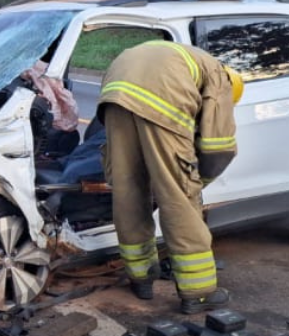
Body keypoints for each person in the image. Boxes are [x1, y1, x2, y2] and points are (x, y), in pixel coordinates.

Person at [96, 40, 243, 314]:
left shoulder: (188, 57)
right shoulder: (221, 78)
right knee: (179, 198)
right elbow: (218, 146)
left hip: (116, 91)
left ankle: (140, 277)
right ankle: (198, 293)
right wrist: (196, 180)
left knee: (129, 190)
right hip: (161, 95)